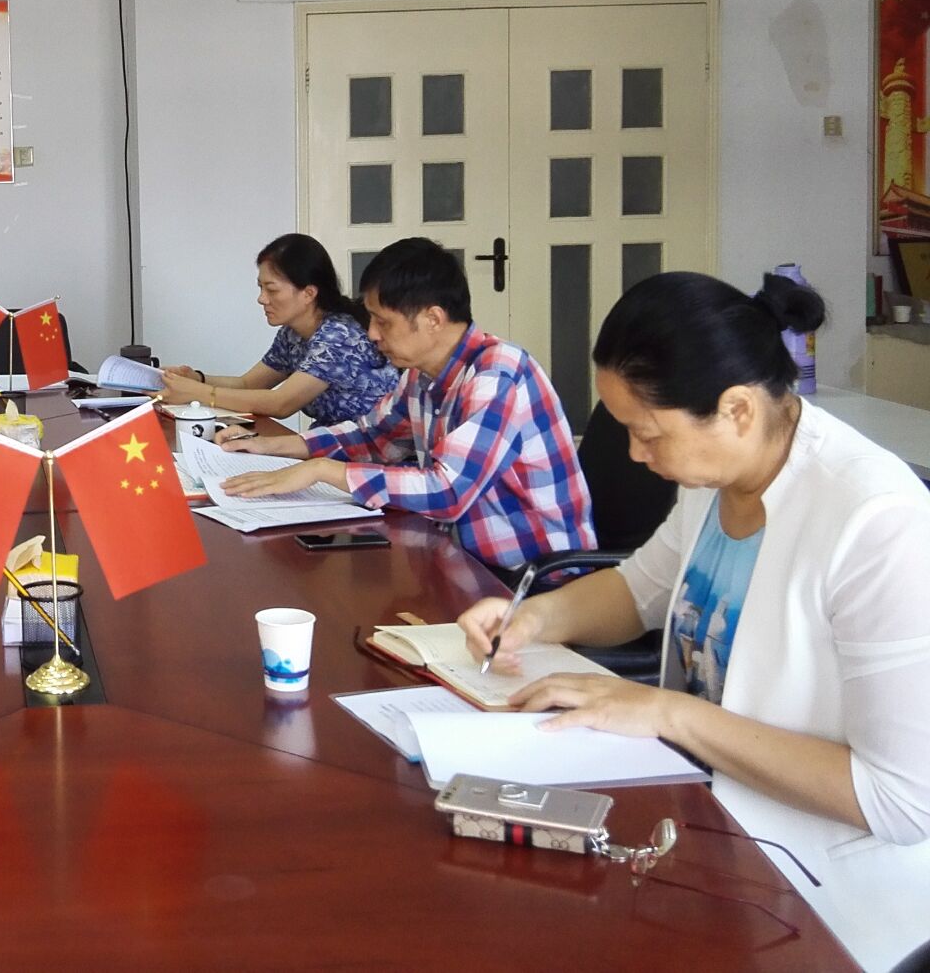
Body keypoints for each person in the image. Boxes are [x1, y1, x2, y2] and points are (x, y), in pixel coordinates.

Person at [455, 271, 930, 971]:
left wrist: (667, 712)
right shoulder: (723, 475)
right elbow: (639, 591)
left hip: (824, 899)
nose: (633, 454)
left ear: (736, 409)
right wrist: (532, 618)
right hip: (704, 831)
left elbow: (900, 799)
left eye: (646, 433)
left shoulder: (877, 523)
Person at [219, 237, 593, 573]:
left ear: (433, 319)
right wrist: (271, 446)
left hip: (534, 577)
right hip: (462, 561)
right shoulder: (420, 375)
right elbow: (372, 436)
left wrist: (322, 470)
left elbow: (448, 491)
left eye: (383, 322)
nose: (371, 334)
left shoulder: (497, 375)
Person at [159, 233, 397, 426]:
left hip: (369, 452)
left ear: (309, 293)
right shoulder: (292, 334)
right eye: (260, 288)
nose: (261, 299)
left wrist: (197, 393)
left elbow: (281, 404)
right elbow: (248, 384)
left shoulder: (339, 336)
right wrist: (196, 379)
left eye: (271, 290)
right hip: (330, 442)